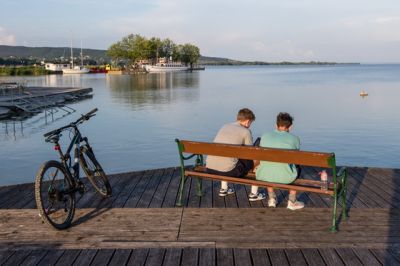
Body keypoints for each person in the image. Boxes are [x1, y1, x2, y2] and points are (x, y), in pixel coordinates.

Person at [206, 108, 265, 201]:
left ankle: (224, 188)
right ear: (247, 121)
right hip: (228, 171)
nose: (249, 126)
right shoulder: (246, 131)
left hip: (209, 168)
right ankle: (254, 194)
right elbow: (250, 153)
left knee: (227, 157)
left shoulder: (225, 126)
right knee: (257, 158)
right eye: (250, 123)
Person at [255, 112, 304, 210]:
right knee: (299, 168)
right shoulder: (295, 139)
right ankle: (292, 201)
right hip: (286, 177)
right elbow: (295, 158)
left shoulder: (265, 136)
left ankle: (272, 198)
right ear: (290, 127)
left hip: (264, 174)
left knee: (269, 164)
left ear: (276, 125)